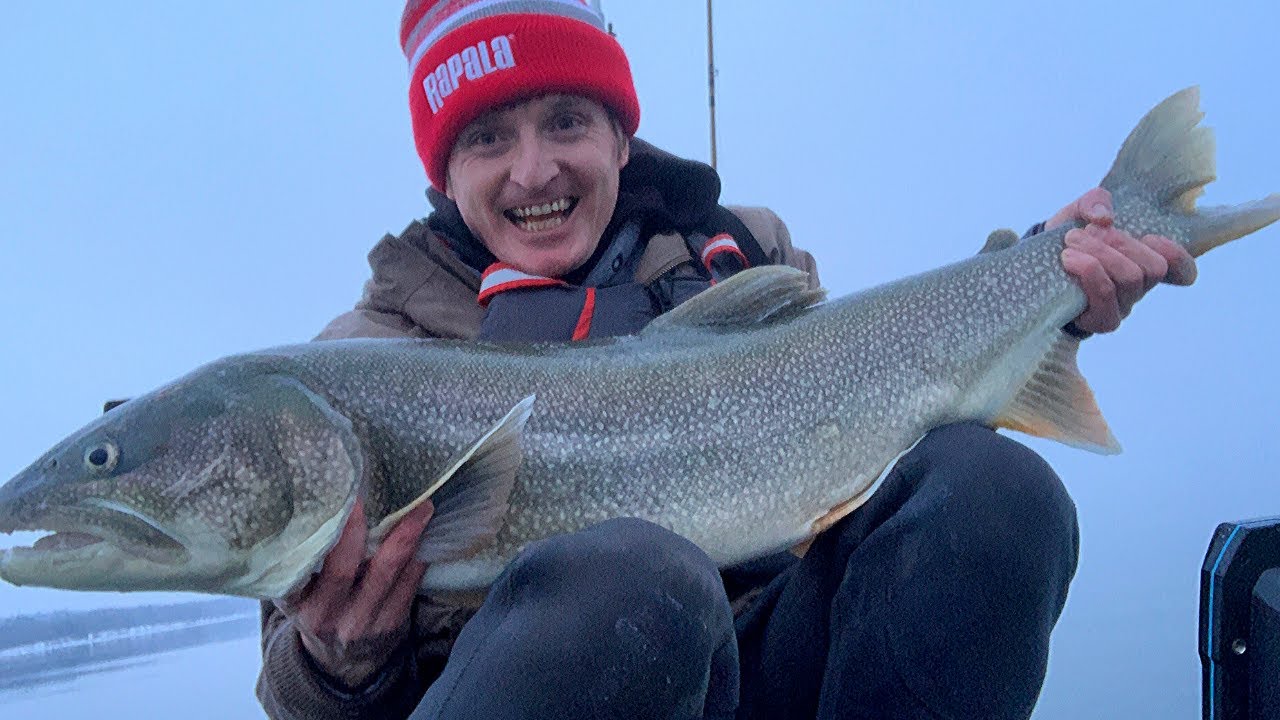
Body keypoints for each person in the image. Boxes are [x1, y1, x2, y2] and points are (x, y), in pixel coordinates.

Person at [255, 2, 1198, 719]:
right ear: (442, 175)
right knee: (636, 577)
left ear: (622, 137)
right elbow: (291, 691)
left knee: (991, 486)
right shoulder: (363, 364)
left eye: (567, 123)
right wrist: (340, 663)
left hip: (772, 661)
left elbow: (884, 400)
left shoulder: (743, 253)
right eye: (488, 137)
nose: (534, 171)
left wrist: (1049, 285)